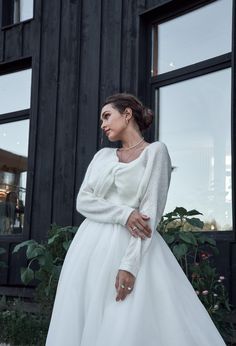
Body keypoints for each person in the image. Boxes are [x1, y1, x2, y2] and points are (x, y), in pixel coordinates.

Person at [46, 93, 226, 346]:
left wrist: (129, 265)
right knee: (84, 316)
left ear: (127, 113)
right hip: (88, 248)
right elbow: (83, 201)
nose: (102, 124)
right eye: (101, 119)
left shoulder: (156, 152)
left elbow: (150, 213)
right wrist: (125, 213)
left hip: (131, 246)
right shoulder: (102, 156)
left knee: (126, 318)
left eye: (107, 116)